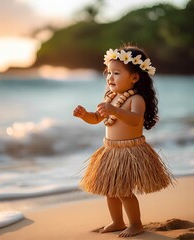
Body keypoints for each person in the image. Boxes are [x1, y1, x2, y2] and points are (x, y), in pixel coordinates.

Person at [73, 45, 174, 238]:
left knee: (124, 192)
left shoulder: (136, 99)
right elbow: (96, 119)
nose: (110, 77)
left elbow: (136, 119)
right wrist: (85, 115)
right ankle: (117, 221)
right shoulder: (111, 97)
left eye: (116, 73)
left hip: (130, 151)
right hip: (111, 151)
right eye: (108, 73)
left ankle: (136, 224)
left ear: (135, 77)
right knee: (110, 191)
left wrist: (116, 111)